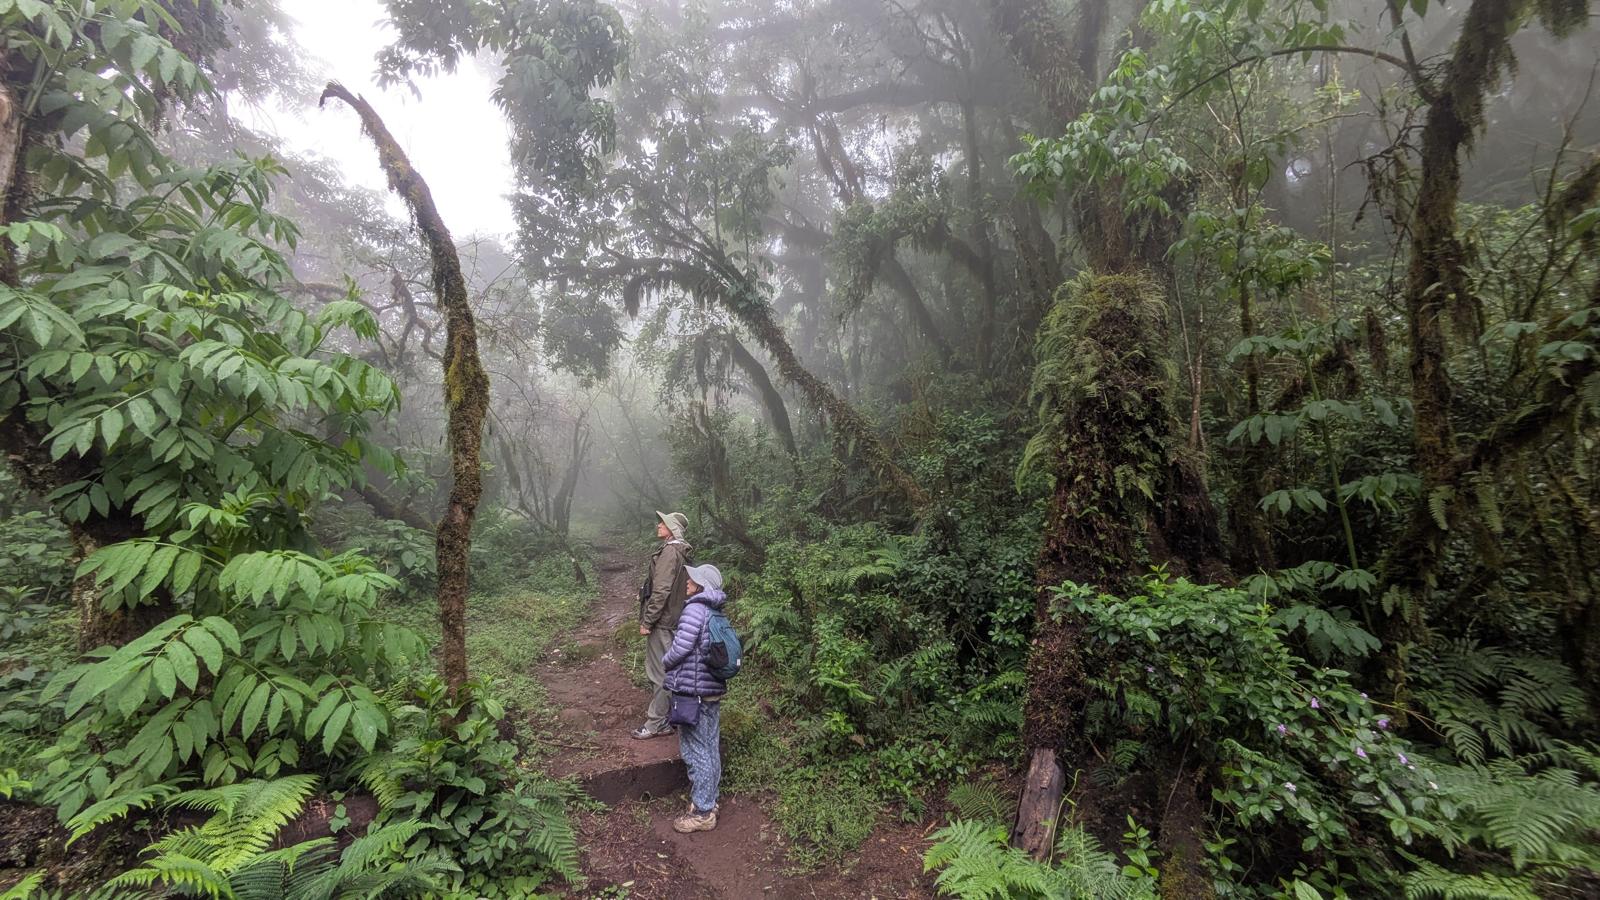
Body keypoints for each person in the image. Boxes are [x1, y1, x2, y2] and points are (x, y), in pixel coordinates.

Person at [662, 562, 727, 833]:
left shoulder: (694, 610)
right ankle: (710, 802)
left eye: (693, 579)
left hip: (693, 692)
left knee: (694, 750)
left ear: (701, 586)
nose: (688, 582)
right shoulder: (716, 611)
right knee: (710, 747)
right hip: (711, 691)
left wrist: (665, 661)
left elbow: (681, 648)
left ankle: (702, 813)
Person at [633, 511, 693, 740]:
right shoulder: (680, 551)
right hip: (673, 620)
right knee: (670, 669)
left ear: (673, 529)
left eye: (664, 523)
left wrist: (648, 620)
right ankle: (668, 718)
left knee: (660, 673)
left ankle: (656, 723)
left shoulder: (670, 552)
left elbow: (661, 591)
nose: (659, 525)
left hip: (662, 621)